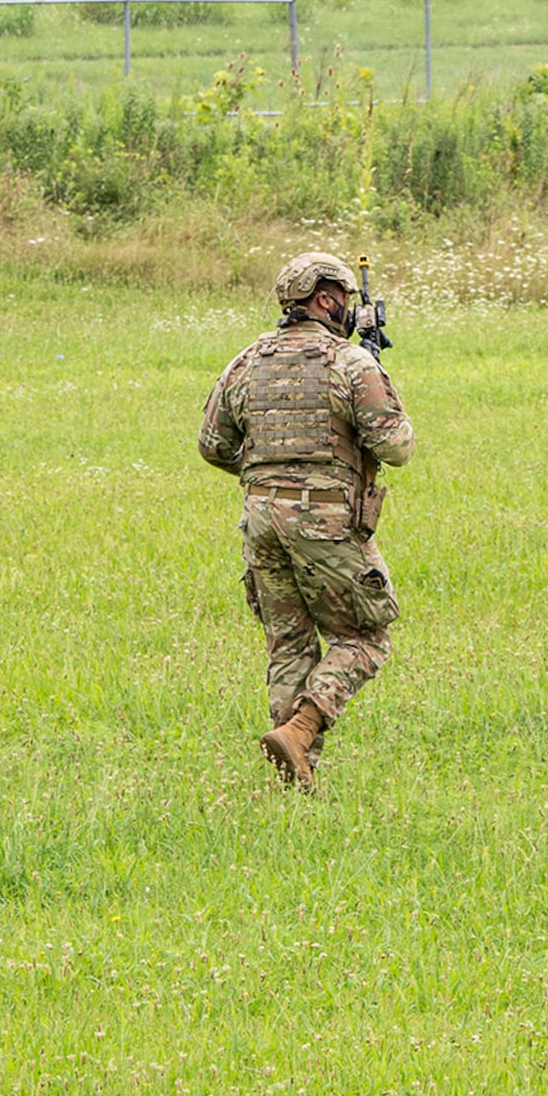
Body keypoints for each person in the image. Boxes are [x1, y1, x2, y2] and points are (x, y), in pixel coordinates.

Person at [199, 253, 415, 793]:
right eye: (342, 299)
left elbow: (212, 444)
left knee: (289, 644)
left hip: (260, 521)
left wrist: (267, 471)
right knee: (368, 634)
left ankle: (297, 776)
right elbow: (396, 445)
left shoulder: (246, 362)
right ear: (325, 298)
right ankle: (303, 726)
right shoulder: (350, 363)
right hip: (324, 523)